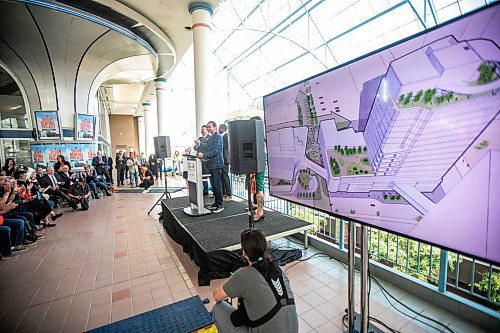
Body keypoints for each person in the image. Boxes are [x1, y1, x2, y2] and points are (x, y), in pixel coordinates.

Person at [212, 229, 298, 333]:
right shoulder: (277, 268)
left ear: (244, 253)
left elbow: (216, 296)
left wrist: (231, 282)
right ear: (265, 248)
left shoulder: (243, 274)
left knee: (218, 308)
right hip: (292, 329)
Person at [197, 121, 224, 212]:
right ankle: (216, 203)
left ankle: (220, 204)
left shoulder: (218, 137)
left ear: (215, 127)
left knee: (217, 185)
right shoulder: (210, 137)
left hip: (216, 164)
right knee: (213, 185)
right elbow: (208, 149)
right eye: (207, 127)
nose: (208, 129)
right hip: (211, 164)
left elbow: (216, 151)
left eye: (210, 127)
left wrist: (203, 155)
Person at [194, 125, 210, 195]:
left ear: (207, 130)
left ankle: (208, 190)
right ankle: (203, 189)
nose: (201, 131)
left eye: (203, 129)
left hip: (206, 160)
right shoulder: (200, 138)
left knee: (206, 175)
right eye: (201, 130)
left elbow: (207, 147)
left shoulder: (209, 138)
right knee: (201, 175)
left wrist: (200, 144)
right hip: (199, 160)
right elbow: (195, 148)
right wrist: (197, 145)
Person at [218, 123, 232, 201]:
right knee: (222, 177)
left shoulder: (226, 136)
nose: (218, 130)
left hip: (225, 159)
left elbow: (224, 147)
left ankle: (229, 194)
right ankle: (224, 193)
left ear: (223, 129)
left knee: (225, 176)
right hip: (222, 159)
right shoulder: (222, 136)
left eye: (219, 128)